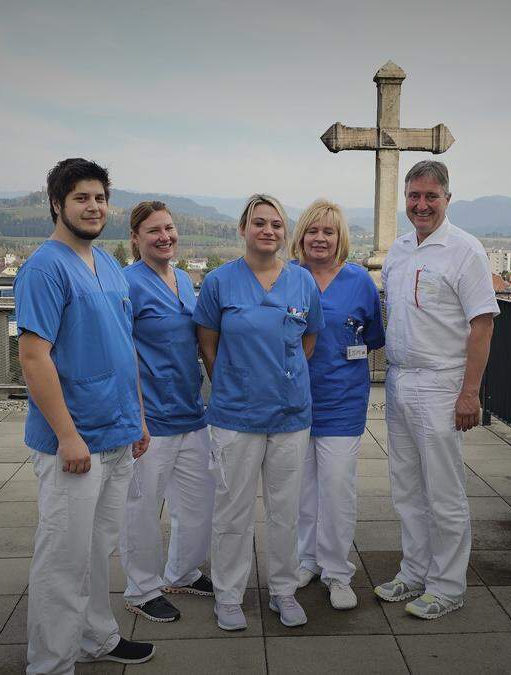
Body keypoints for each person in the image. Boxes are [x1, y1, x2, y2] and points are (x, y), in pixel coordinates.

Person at [14, 158, 155, 672]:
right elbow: (34, 356)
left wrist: (137, 417)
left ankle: (98, 635)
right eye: (81, 198)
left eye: (99, 198)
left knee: (99, 549)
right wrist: (68, 437)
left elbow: (124, 347)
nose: (93, 207)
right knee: (63, 558)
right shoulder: (44, 268)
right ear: (57, 204)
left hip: (117, 431)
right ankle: (51, 664)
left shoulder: (109, 264)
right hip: (75, 443)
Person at [373, 160, 498, 620]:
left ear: (447, 198)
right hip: (401, 379)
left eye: (431, 196)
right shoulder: (400, 250)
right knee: (406, 487)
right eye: (414, 196)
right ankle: (415, 571)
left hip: (443, 382)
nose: (421, 205)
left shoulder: (465, 250)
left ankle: (447, 586)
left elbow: (481, 326)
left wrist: (470, 393)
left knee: (443, 491)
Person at [193, 193, 323, 631]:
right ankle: (229, 596)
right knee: (232, 510)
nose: (268, 231)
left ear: (285, 233)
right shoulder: (219, 282)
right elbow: (207, 342)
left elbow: (309, 340)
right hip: (235, 416)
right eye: (259, 223)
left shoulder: (302, 282)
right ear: (243, 229)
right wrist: (236, 379)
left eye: (276, 224)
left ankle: (283, 590)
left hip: (290, 416)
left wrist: (282, 377)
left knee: (286, 510)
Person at [119, 201, 216, 623]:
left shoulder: (183, 278)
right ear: (136, 238)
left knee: (199, 504)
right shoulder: (128, 285)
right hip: (151, 421)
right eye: (154, 230)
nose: (165, 236)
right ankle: (141, 589)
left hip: (192, 414)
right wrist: (135, 417)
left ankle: (181, 571)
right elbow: (123, 357)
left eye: (170, 228)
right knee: (141, 509)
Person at [289, 199, 385, 610]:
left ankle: (336, 570)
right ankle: (306, 559)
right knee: (300, 489)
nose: (320, 238)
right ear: (301, 237)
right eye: (313, 230)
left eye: (328, 231)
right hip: (292, 401)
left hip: (342, 402)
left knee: (336, 488)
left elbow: (373, 337)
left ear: (340, 237)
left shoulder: (359, 281)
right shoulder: (288, 278)